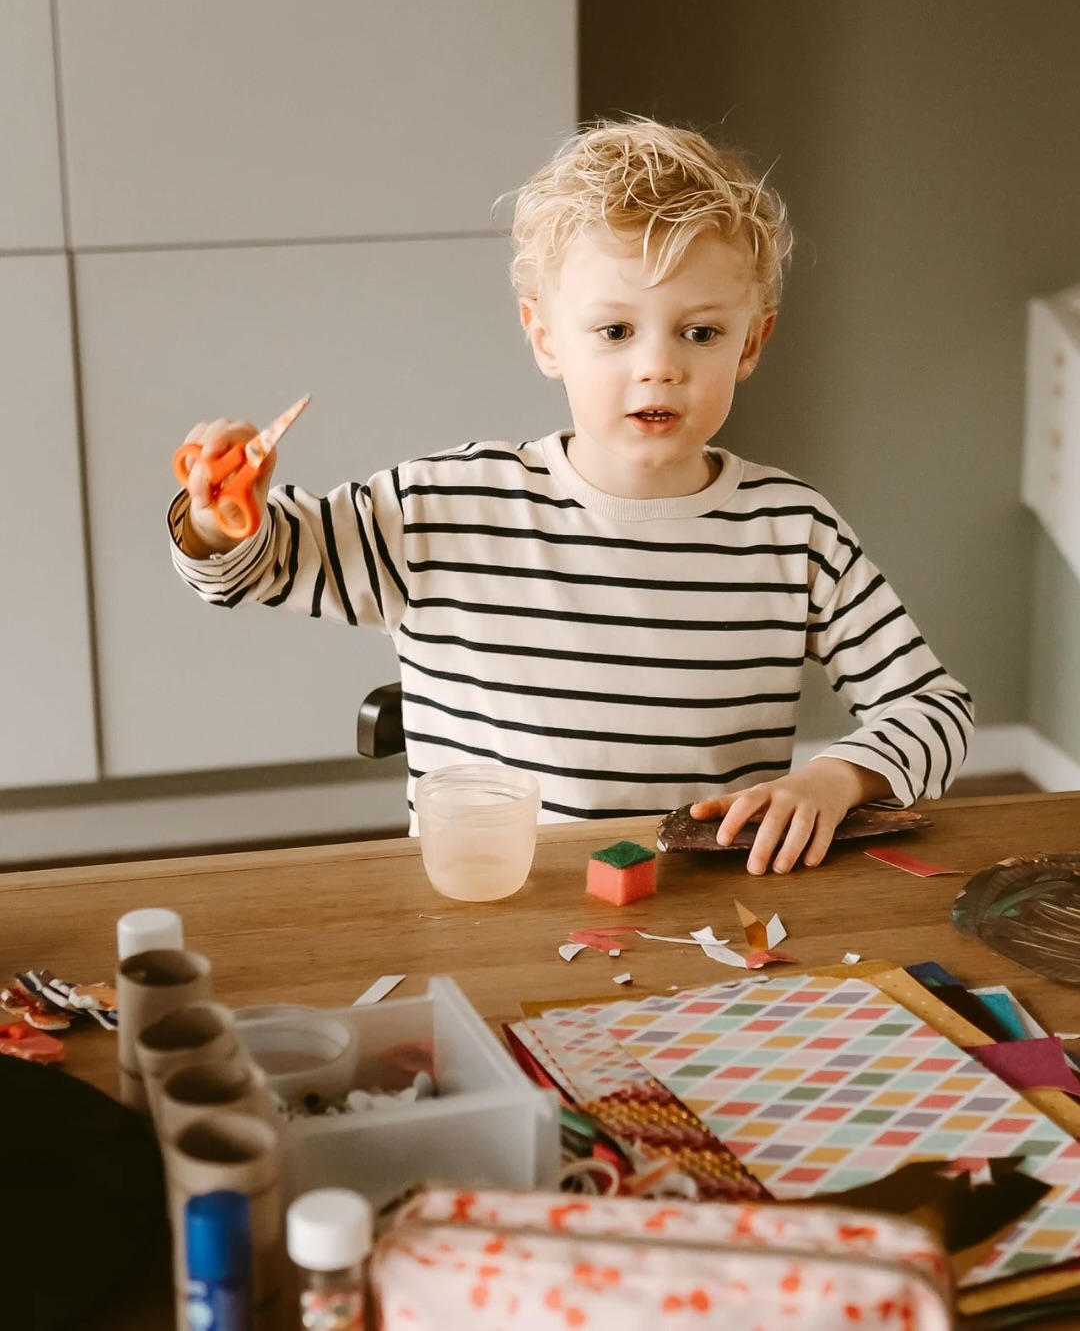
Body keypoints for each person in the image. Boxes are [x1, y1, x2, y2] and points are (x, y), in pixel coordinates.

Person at [170, 117, 972, 875]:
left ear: (751, 342)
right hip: (491, 903)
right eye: (615, 332)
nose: (658, 367)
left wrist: (833, 781)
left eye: (700, 333)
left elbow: (935, 709)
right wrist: (215, 518)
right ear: (546, 337)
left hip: (702, 914)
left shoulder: (793, 532)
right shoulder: (440, 508)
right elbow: (249, 569)